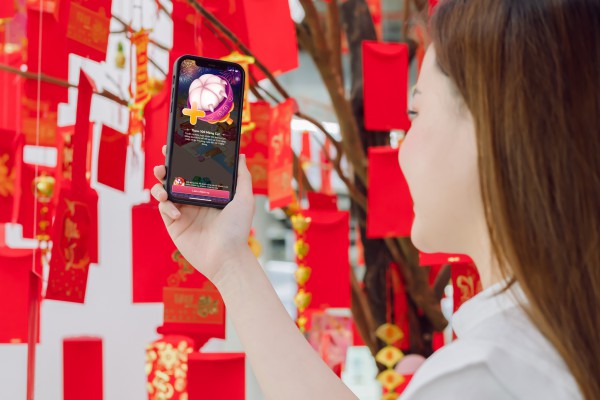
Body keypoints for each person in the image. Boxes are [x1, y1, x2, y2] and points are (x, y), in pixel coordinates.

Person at [151, 0, 599, 398]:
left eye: (415, 112)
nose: (401, 148)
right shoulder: (548, 341)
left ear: (493, 129)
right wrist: (230, 262)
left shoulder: (484, 377)